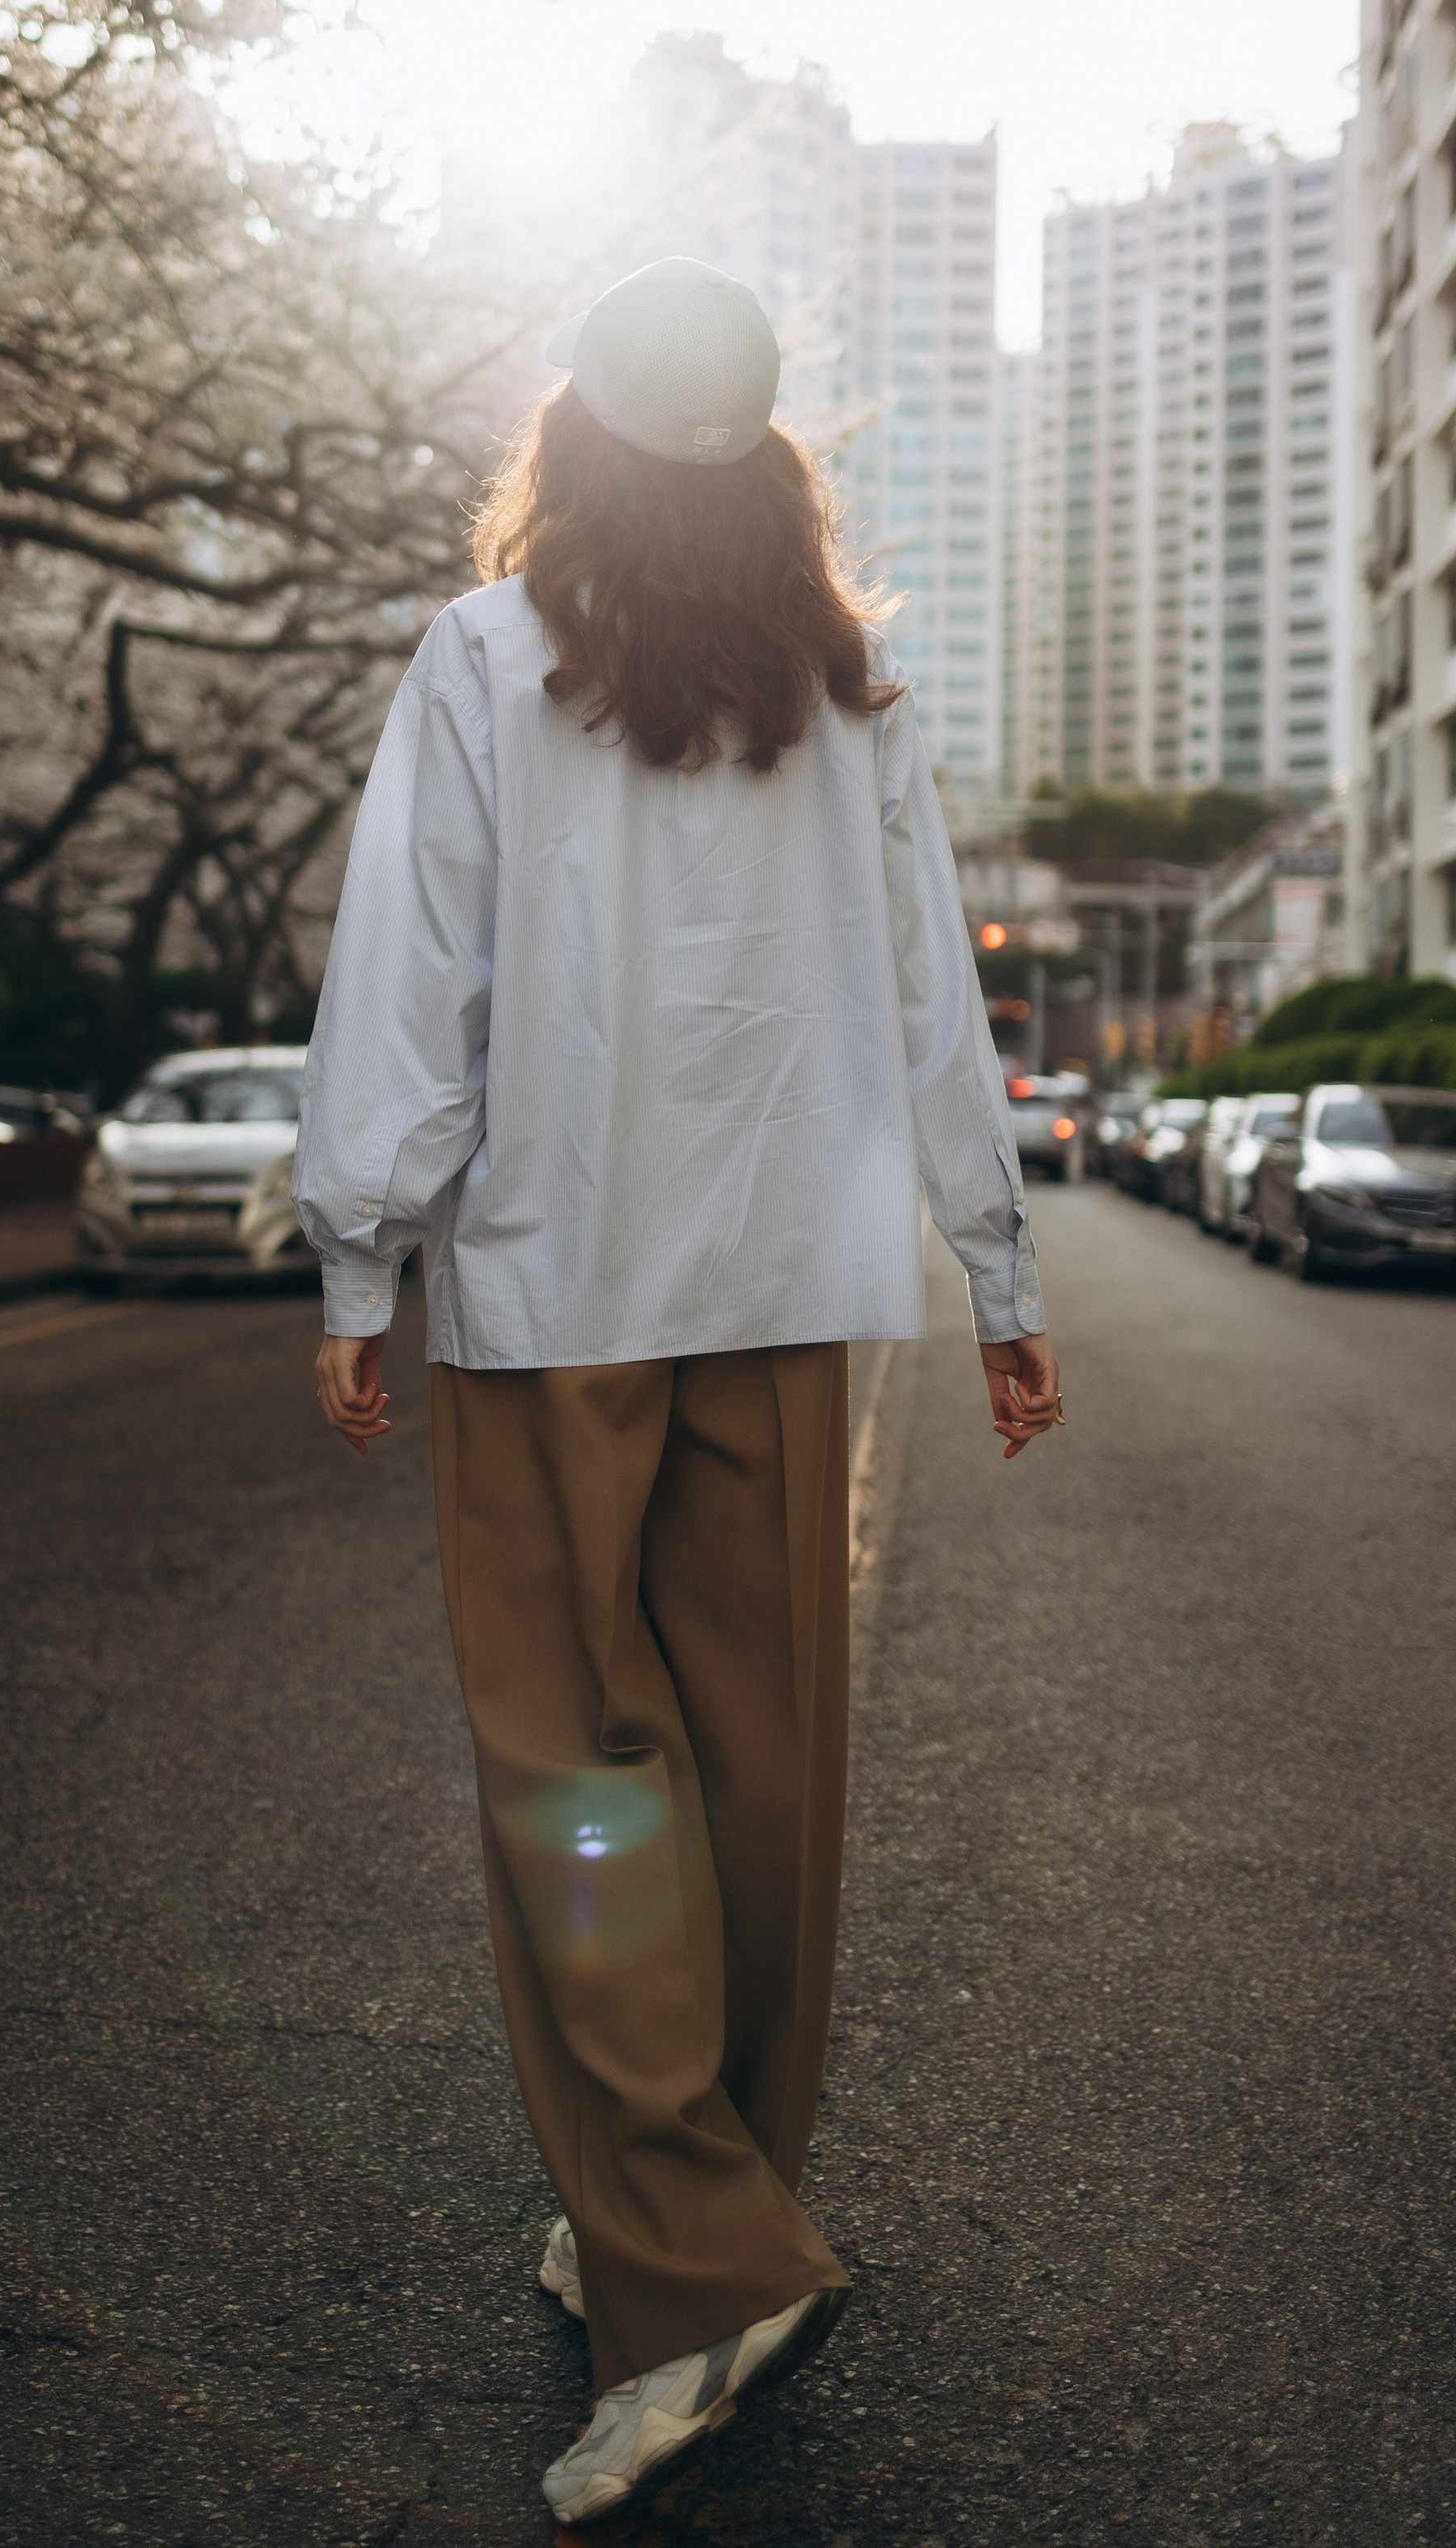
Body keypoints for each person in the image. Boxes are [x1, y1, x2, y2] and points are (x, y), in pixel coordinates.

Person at [292, 255, 1061, 2527]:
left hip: (557, 1286)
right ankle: (689, 2207)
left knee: (573, 1772)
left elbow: (410, 969)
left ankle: (701, 2255)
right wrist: (996, 1272)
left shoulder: (488, 660)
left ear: (578, 438)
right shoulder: (860, 703)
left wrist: (359, 1252)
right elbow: (941, 1013)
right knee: (758, 1765)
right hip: (789, 1287)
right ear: (775, 476)